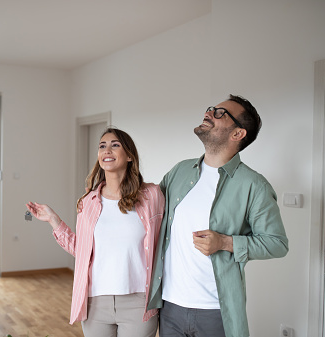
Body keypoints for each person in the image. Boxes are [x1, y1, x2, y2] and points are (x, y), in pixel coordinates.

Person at [148, 95, 289, 337]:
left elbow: (277, 244)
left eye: (221, 113)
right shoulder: (180, 171)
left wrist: (225, 242)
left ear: (238, 134)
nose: (209, 113)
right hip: (170, 305)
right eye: (211, 109)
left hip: (215, 311)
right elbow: (150, 210)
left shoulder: (254, 185)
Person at [26, 127, 164, 337]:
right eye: (102, 146)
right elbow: (82, 250)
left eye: (115, 145)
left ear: (129, 155)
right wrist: (54, 220)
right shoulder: (89, 202)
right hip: (95, 303)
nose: (107, 150)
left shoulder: (151, 196)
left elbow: (165, 242)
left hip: (138, 302)